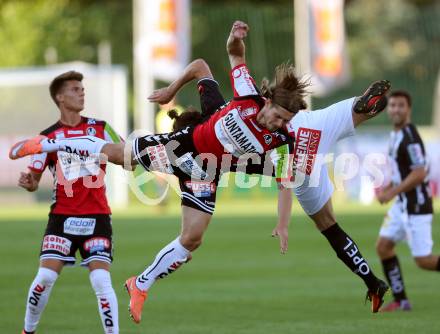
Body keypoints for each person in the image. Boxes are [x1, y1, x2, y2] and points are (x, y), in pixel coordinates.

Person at [9, 21, 388, 320]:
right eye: (276, 115)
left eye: (285, 121)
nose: (277, 124)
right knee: (115, 155)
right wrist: (227, 42)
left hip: (205, 172)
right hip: (179, 148)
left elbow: (287, 182)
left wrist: (284, 222)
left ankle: (139, 284)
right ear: (268, 100)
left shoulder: (281, 139)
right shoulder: (244, 96)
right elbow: (220, 59)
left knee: (192, 238)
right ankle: (47, 143)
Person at [16, 71, 121, 334]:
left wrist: (128, 157)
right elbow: (34, 180)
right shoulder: (46, 138)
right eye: (75, 89)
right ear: (60, 97)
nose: (81, 92)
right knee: (45, 278)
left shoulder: (101, 127)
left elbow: (124, 154)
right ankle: (28, 331)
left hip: (97, 217)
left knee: (101, 280)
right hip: (61, 218)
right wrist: (29, 182)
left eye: (82, 88)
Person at [374, 90, 437, 311]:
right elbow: (403, 171)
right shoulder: (395, 136)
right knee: (383, 247)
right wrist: (389, 188)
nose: (396, 110)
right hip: (402, 204)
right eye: (392, 106)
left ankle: (401, 300)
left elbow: (419, 173)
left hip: (416, 205)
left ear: (408, 109)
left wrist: (391, 193)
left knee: (424, 261)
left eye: (400, 105)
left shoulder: (410, 137)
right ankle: (401, 301)